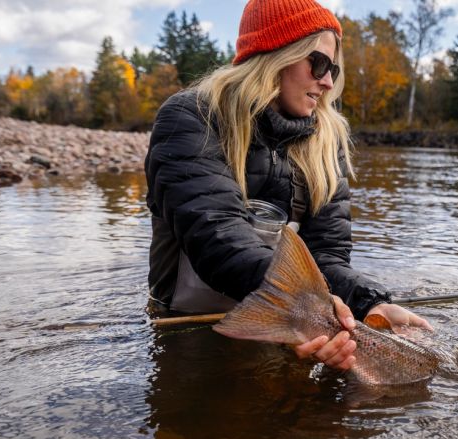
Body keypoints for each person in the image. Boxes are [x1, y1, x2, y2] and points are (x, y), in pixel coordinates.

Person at [145, 0, 433, 372]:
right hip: (187, 332)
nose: (327, 82)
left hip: (291, 325)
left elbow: (326, 257)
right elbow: (216, 236)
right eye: (319, 64)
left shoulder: (326, 142)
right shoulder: (191, 117)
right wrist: (308, 308)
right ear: (275, 54)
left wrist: (369, 306)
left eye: (333, 70)